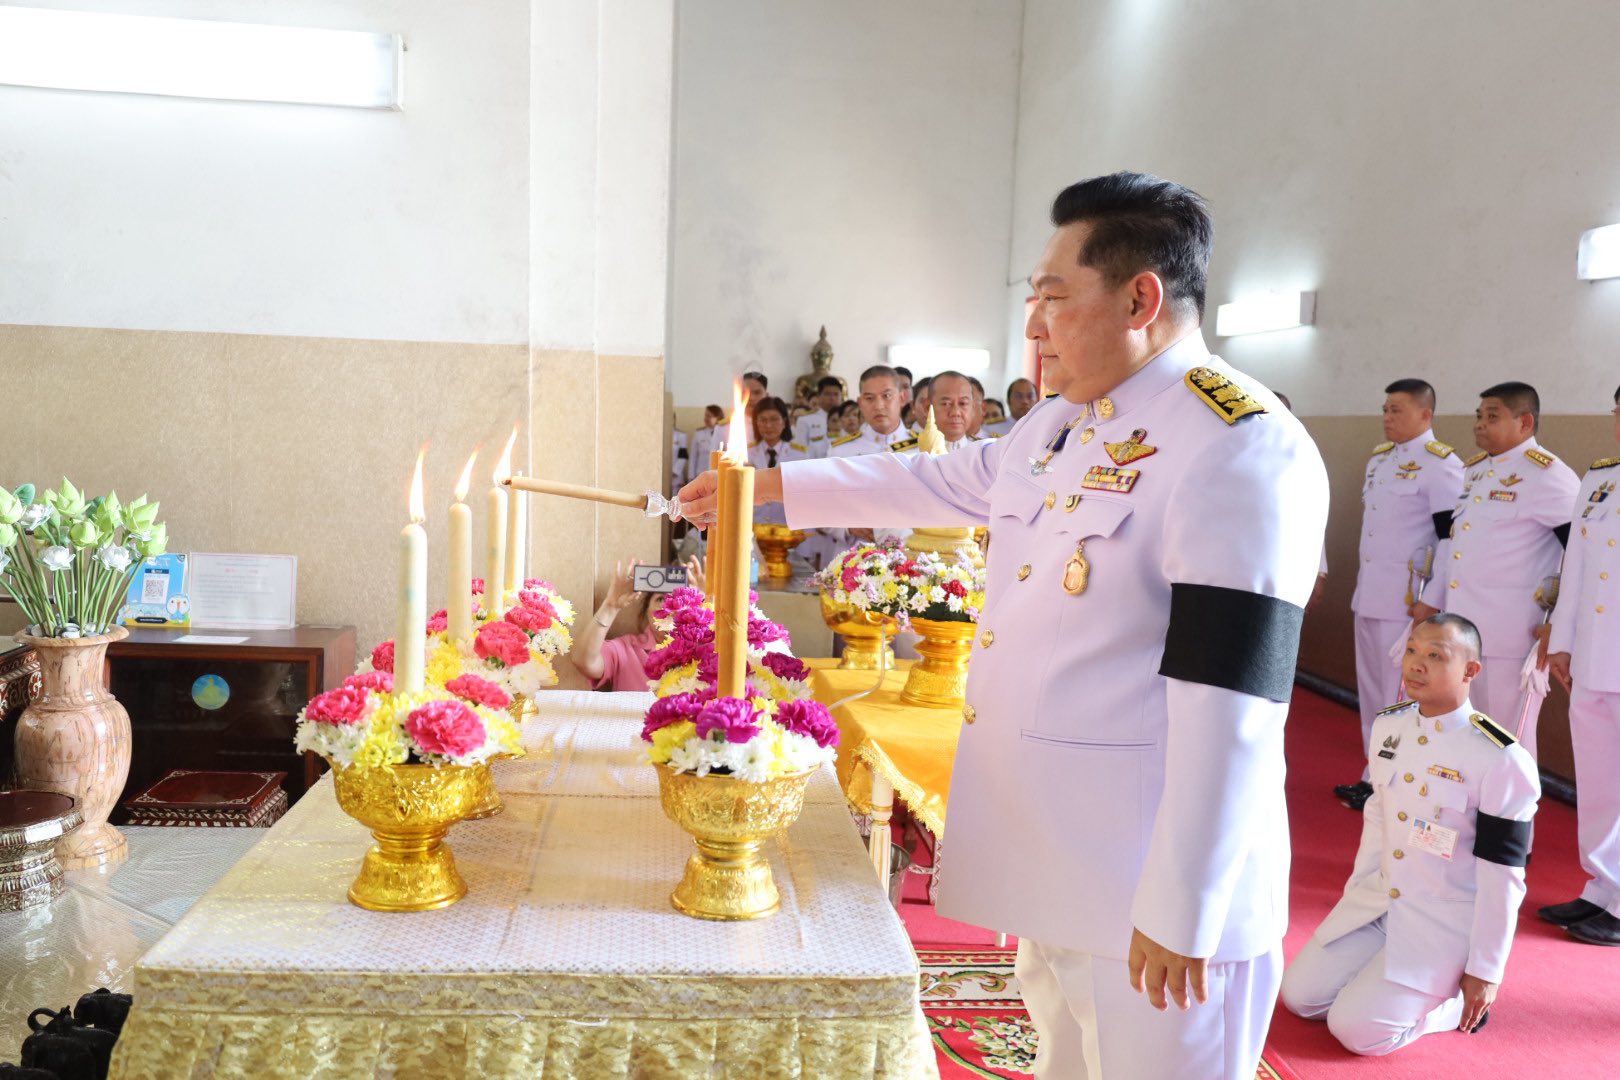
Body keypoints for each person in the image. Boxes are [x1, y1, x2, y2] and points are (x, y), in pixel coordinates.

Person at [678, 172, 1328, 1079]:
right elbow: (944, 481)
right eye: (1032, 299)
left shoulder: (1239, 442)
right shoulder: (1064, 424)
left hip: (1152, 885)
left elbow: (1233, 705)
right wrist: (764, 488)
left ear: (1141, 297)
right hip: (1059, 860)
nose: (1034, 325)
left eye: (1055, 298)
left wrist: (1188, 908)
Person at [1280, 613, 1539, 1055]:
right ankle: (1392, 983)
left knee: (1357, 1032)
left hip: (1442, 923)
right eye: (1413, 651)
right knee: (1299, 998)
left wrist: (1485, 969)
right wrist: (1354, 898)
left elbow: (1504, 876)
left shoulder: (1500, 760)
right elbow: (1378, 821)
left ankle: (1447, 1008)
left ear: (1470, 670)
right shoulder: (1391, 727)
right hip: (1380, 904)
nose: (1416, 664)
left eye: (1436, 655)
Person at [1410, 382, 1577, 760]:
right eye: (1479, 416)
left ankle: (1511, 820)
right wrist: (1430, 602)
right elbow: (1455, 544)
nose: (1480, 424)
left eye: (1493, 416)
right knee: (1466, 738)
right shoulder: (1476, 471)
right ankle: (1472, 819)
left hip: (1510, 637)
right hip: (1463, 632)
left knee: (1506, 744)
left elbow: (1581, 555)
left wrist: (1561, 625)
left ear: (1525, 422)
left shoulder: (1548, 475)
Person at [1333, 379, 1464, 810]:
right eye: (1385, 409)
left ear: (1425, 416)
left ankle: (1398, 783)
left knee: (1401, 694)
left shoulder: (1440, 465)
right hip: (1369, 595)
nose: (1387, 418)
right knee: (1373, 693)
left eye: (1397, 411)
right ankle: (1374, 774)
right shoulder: (1380, 461)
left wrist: (1434, 599)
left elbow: (1450, 538)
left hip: (1408, 602)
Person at [1540, 384, 1620, 946]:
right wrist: (1562, 641)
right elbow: (1575, 570)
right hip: (1593, 654)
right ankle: (1602, 886)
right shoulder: (1600, 480)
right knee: (1598, 780)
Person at [570, 557, 705, 691]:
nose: (671, 604)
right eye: (661, 598)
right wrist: (610, 605)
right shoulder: (626, 650)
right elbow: (584, 661)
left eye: (682, 597)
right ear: (646, 612)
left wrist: (711, 602)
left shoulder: (709, 649)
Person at [746, 397, 808, 524]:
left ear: (784, 422)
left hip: (787, 529)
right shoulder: (746, 454)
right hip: (753, 527)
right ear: (756, 423)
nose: (768, 425)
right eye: (763, 420)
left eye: (774, 419)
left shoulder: (800, 454)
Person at [928, 371, 985, 450]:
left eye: (963, 403)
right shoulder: (910, 456)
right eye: (946, 404)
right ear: (928, 407)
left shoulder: (985, 454)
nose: (955, 412)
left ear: (972, 408)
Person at [796, 376, 843, 459]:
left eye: (836, 394)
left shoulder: (849, 419)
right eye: (827, 394)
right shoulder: (805, 420)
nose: (832, 398)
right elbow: (800, 452)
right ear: (819, 396)